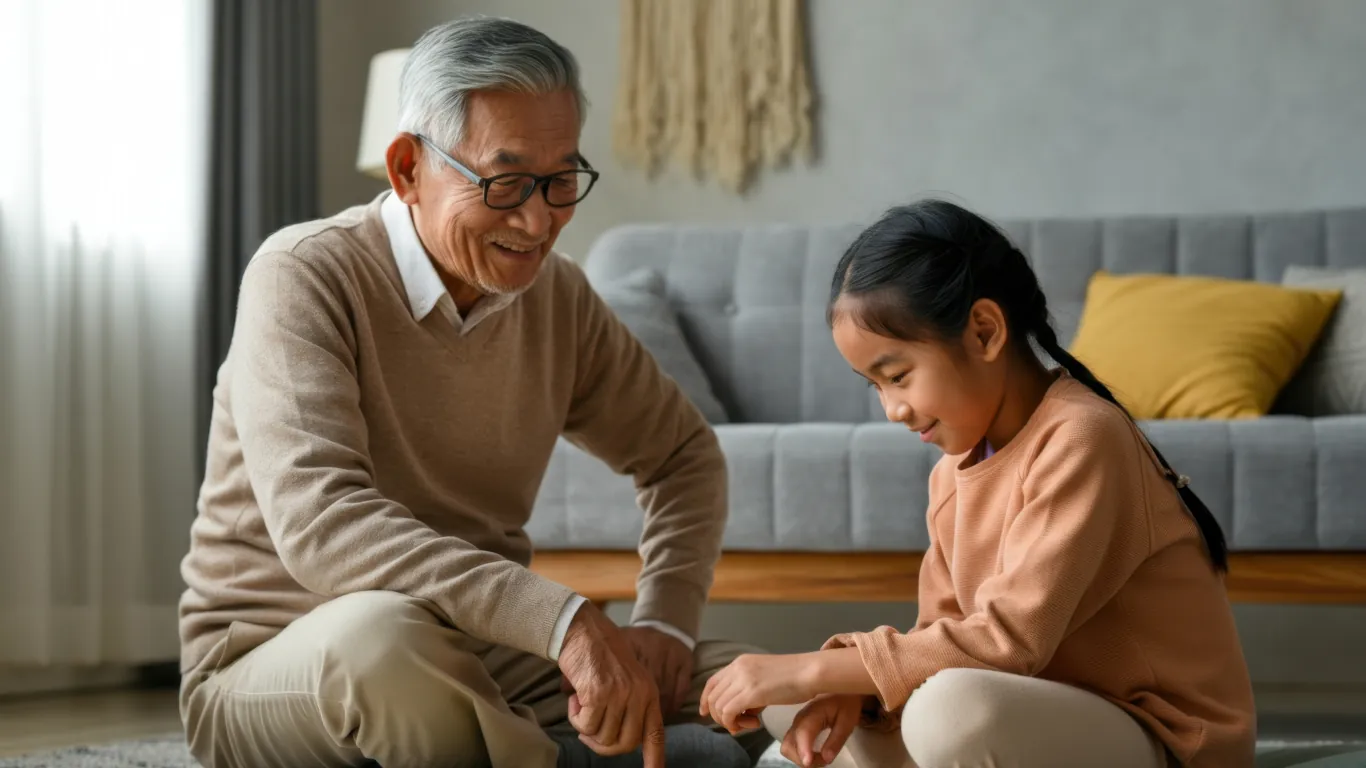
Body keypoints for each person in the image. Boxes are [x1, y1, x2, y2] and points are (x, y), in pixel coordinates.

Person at [178, 16, 771, 768]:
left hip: (489, 657)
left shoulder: (558, 298)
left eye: (561, 181)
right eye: (506, 181)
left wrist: (667, 626)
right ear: (406, 170)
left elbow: (683, 456)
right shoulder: (302, 274)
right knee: (385, 641)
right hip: (281, 663)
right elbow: (322, 525)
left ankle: (543, 749)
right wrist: (565, 620)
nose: (538, 219)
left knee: (760, 682)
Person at [697, 199, 1257, 768]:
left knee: (949, 712)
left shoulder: (1083, 436)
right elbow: (939, 635)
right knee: (804, 711)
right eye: (876, 387)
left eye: (899, 376)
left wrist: (818, 666)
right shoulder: (951, 474)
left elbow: (1008, 641)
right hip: (1034, 711)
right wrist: (854, 689)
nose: (893, 409)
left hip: (1160, 736)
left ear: (985, 332)